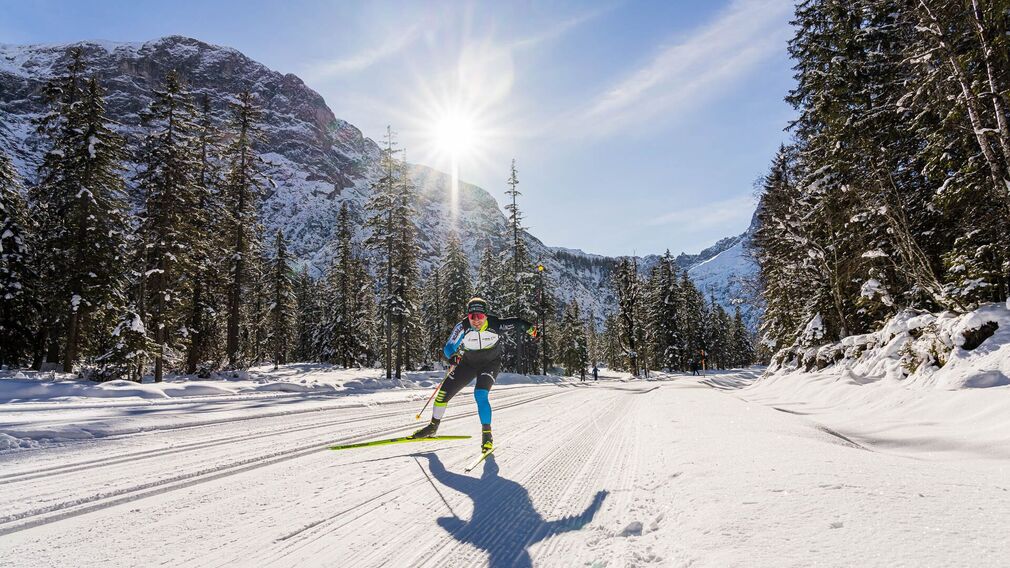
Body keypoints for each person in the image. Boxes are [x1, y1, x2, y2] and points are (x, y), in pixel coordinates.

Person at [411, 297, 537, 451]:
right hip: (468, 364)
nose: (476, 321)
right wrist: (452, 356)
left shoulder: (496, 324)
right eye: (472, 317)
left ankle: (487, 436)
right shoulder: (462, 327)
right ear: (468, 316)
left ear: (486, 315)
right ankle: (432, 427)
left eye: (480, 316)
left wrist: (532, 329)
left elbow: (518, 322)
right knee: (443, 394)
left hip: (490, 363)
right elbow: (449, 346)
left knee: (480, 395)